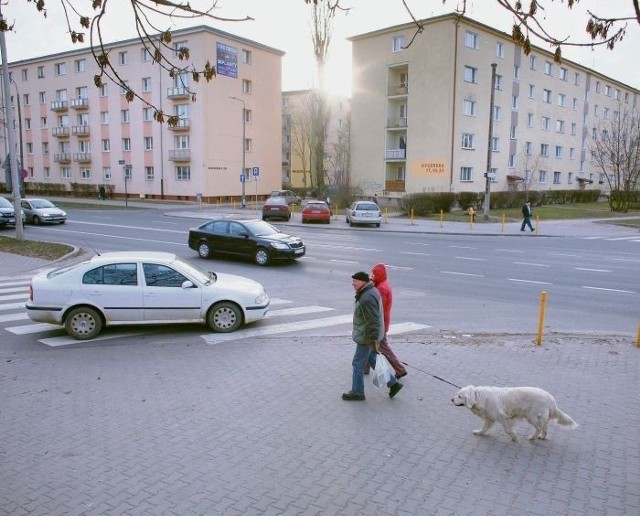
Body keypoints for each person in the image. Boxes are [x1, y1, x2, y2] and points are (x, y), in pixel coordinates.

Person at [342, 271, 404, 401]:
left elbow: (373, 321)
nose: (352, 283)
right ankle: (393, 383)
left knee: (357, 364)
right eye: (352, 281)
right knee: (372, 359)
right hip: (369, 335)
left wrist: (373, 340)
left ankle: (357, 392)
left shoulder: (366, 298)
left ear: (363, 282)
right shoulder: (371, 290)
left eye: (355, 281)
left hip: (366, 337)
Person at [370, 262, 408, 379]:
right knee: (370, 345)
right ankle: (364, 368)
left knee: (382, 346)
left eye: (374, 274)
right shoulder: (383, 284)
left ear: (379, 275)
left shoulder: (381, 288)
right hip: (383, 321)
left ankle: (400, 369)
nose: (372, 276)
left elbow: (377, 308)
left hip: (381, 323)